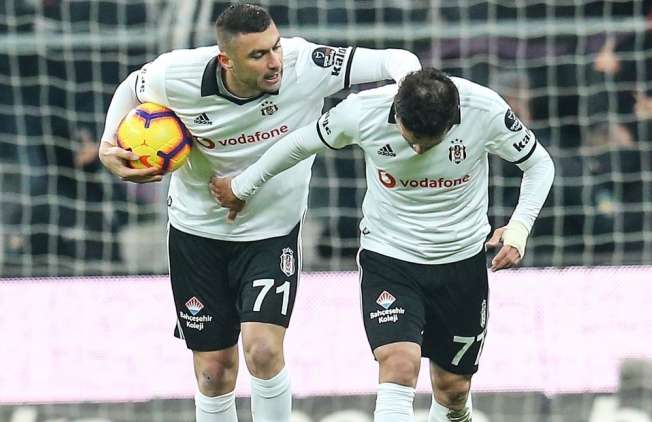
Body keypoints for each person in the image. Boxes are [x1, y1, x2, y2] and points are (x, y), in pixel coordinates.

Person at [98, 4, 421, 421]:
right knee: (214, 370)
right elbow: (133, 85)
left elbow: (396, 59)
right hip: (196, 231)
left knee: (264, 350)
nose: (274, 62)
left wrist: (410, 95)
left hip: (271, 232)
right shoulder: (176, 75)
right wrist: (108, 144)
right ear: (226, 61)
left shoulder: (307, 64)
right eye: (258, 55)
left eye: (275, 47)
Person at [210, 68, 555, 421]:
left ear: (454, 120)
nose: (418, 148)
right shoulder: (362, 111)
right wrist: (243, 186)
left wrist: (519, 227)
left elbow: (539, 164)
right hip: (390, 257)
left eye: (430, 141)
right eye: (411, 138)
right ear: (396, 112)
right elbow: (299, 143)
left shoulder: (484, 109)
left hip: (460, 260)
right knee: (399, 364)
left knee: (453, 390)